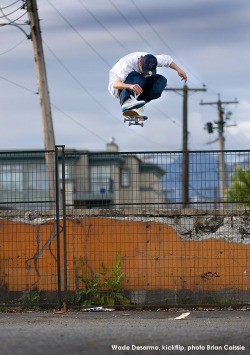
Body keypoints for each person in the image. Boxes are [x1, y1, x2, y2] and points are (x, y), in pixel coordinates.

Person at [108, 52, 187, 117]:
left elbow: (168, 60)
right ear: (140, 64)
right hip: (118, 88)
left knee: (161, 81)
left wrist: (179, 70)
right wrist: (130, 86)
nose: (146, 74)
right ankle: (127, 101)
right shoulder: (128, 64)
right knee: (139, 77)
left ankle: (138, 105)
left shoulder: (153, 60)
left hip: (137, 86)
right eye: (145, 71)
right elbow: (116, 84)